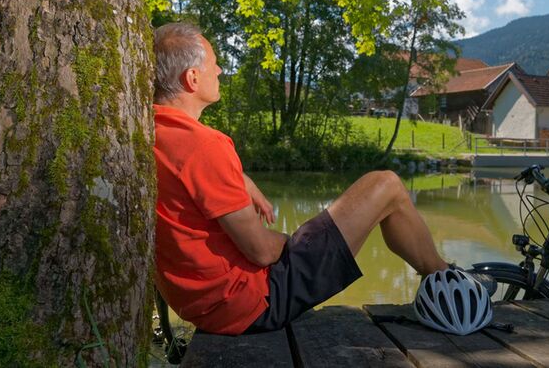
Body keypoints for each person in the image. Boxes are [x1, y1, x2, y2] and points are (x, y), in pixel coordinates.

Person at [152, 22, 494, 336]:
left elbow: (190, 176)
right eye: (214, 63)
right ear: (192, 79)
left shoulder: (149, 134)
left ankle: (443, 274)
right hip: (253, 303)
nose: (221, 70)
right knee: (385, 184)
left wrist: (243, 179)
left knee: (358, 204)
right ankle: (448, 280)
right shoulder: (206, 145)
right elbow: (259, 250)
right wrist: (295, 243)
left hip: (203, 305)